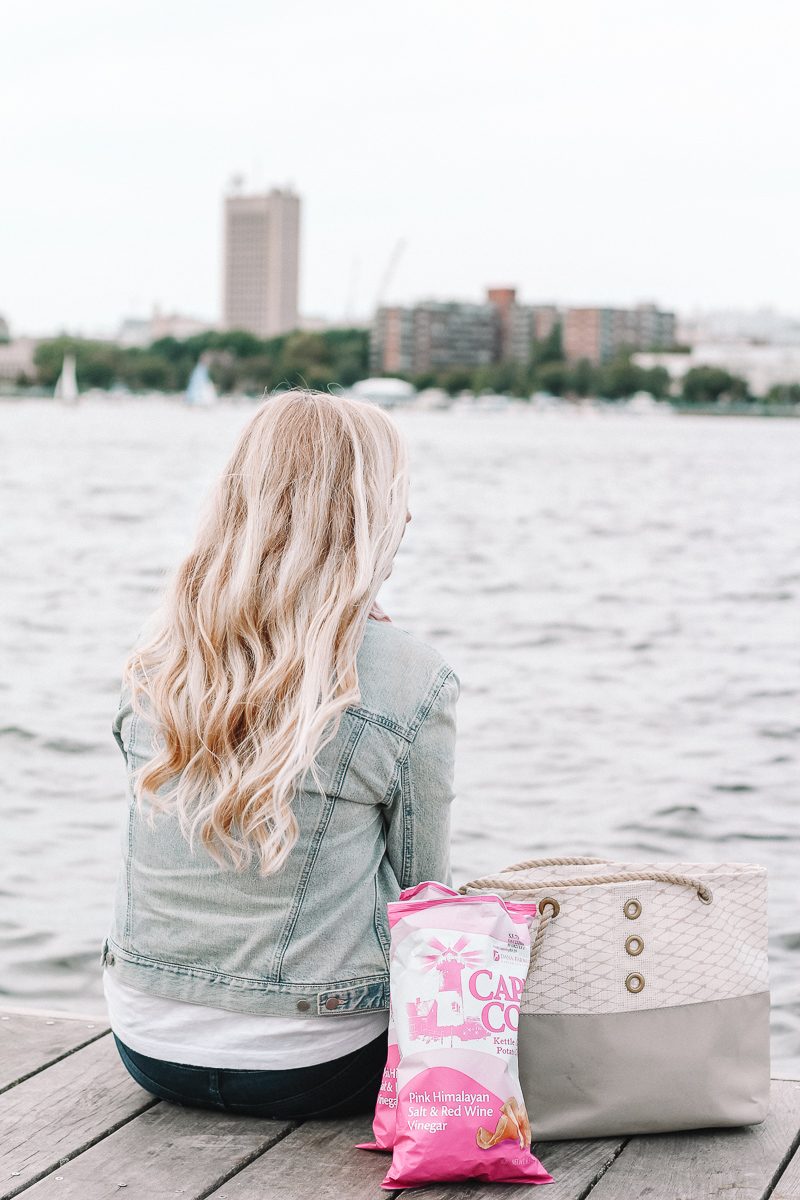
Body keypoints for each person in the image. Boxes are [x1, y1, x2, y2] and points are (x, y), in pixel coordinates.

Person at [105, 390, 458, 1119]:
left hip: (147, 1043)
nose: (412, 517)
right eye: (399, 497)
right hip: (319, 1064)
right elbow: (427, 897)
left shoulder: (156, 658)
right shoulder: (409, 676)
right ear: (364, 517)